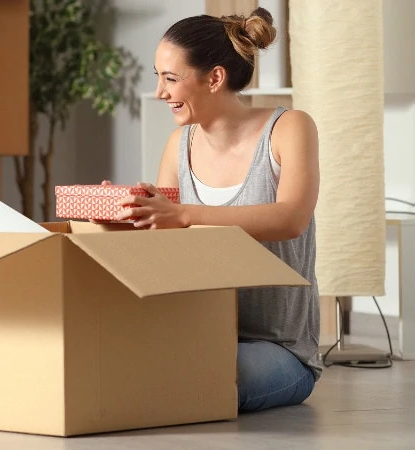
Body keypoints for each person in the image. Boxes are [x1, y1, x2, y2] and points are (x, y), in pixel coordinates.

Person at [107, 7, 321, 412]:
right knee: (121, 364)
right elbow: (165, 242)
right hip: (197, 331)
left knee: (195, 380)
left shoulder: (290, 128)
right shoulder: (179, 145)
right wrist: (127, 207)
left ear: (215, 78)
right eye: (159, 78)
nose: (160, 93)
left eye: (171, 79)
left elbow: (291, 218)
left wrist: (185, 214)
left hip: (278, 348)